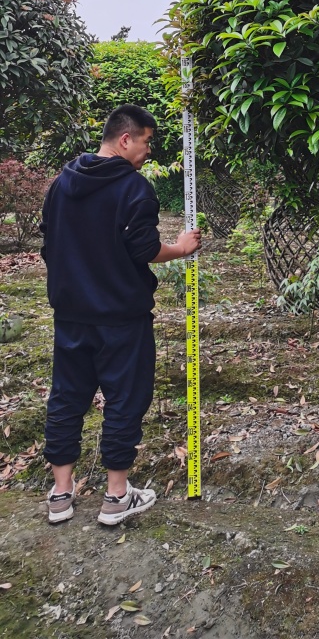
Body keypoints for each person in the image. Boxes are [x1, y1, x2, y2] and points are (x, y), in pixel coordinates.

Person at [40, 104, 201, 525]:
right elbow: (144, 250)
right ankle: (115, 497)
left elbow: (49, 245)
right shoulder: (134, 188)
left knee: (67, 398)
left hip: (71, 315)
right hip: (120, 316)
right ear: (126, 139)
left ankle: (60, 494)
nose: (149, 150)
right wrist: (181, 248)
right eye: (147, 141)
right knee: (125, 400)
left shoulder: (60, 184)